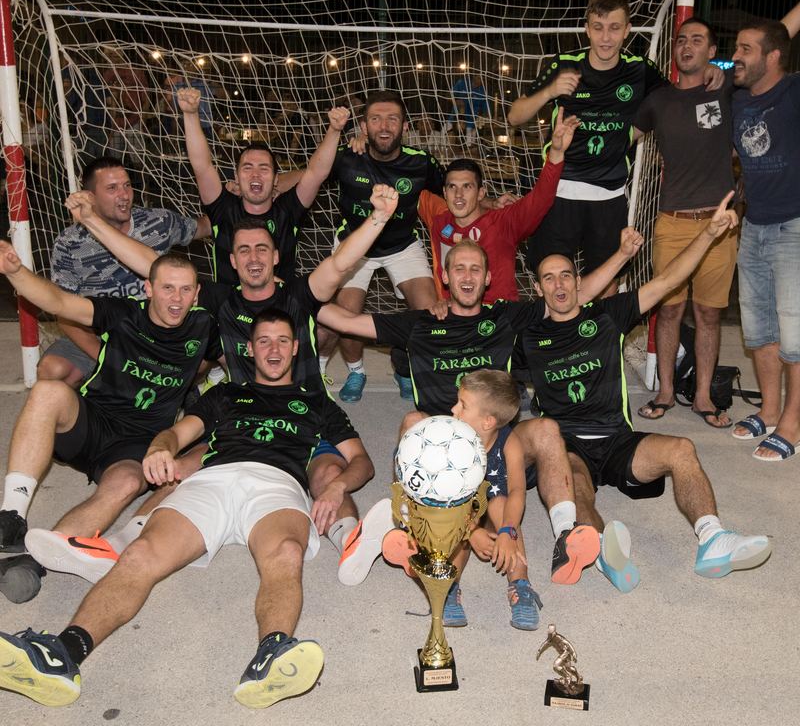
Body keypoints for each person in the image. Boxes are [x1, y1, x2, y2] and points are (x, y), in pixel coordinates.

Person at [23, 185, 401, 588]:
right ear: (232, 261)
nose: (253, 258)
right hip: (240, 414)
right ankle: (114, 544)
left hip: (304, 414)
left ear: (276, 257)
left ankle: (351, 540)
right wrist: (92, 220)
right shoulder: (219, 300)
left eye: (262, 249)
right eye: (243, 250)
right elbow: (152, 264)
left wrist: (378, 216)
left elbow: (340, 264)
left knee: (329, 473)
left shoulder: (298, 294)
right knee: (183, 467)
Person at [0, 308, 369, 710]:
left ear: (295, 348)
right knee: (140, 553)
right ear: (250, 349)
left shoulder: (317, 402)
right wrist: (161, 448)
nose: (274, 349)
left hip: (276, 484)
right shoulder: (225, 393)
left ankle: (271, 655)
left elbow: (361, 462)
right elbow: (177, 433)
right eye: (264, 341)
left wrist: (336, 486)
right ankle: (62, 654)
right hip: (212, 480)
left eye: (282, 341)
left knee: (286, 553)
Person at [318, 233, 643, 584]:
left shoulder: (505, 317)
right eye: (459, 268)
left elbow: (570, 295)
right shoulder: (421, 322)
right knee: (413, 420)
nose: (468, 276)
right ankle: (410, 519)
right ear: (445, 277)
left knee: (547, 428)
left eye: (475, 269)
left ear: (487, 278)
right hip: (443, 451)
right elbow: (344, 321)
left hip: (498, 442)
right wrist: (297, 295)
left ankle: (566, 534)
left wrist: (622, 254)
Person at [519, 193, 772, 592]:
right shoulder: (528, 336)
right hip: (568, 443)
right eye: (549, 278)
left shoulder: (607, 315)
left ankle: (713, 540)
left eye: (566, 275)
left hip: (617, 438)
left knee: (682, 449)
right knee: (578, 488)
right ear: (538, 288)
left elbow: (668, 280)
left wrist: (709, 233)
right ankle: (602, 551)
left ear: (579, 281)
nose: (558, 283)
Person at [0, 248, 219, 598]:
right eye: (167, 288)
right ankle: (11, 515)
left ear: (197, 293)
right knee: (47, 391)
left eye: (185, 290)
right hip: (92, 420)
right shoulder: (123, 313)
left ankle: (33, 562)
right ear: (149, 288)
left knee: (128, 483)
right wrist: (15, 272)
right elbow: (59, 302)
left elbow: (244, 357)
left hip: (137, 443)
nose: (176, 299)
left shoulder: (205, 326)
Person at [508, 0, 722, 295]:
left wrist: (708, 69)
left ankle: (601, 330)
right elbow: (515, 116)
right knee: (551, 283)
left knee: (607, 284)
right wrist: (550, 92)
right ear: (587, 29)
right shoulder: (565, 63)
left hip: (609, 196)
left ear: (627, 30)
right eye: (598, 28)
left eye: (614, 28)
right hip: (559, 192)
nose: (605, 38)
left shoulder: (640, 69)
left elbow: (673, 102)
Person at [633, 18, 738, 429]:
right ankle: (665, 391)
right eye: (681, 40)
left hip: (718, 224)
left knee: (708, 314)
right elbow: (618, 139)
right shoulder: (657, 100)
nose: (686, 45)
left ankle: (703, 396)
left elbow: (770, 45)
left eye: (697, 40)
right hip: (672, 222)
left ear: (711, 51)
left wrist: (722, 70)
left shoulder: (724, 89)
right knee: (670, 309)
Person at [316, 90, 445, 403]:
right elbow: (311, 174)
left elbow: (455, 191)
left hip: (402, 245)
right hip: (355, 245)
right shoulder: (348, 156)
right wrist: (274, 185)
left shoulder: (420, 162)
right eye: (375, 119)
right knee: (345, 314)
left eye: (392, 119)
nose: (384, 126)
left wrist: (489, 203)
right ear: (363, 126)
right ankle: (356, 371)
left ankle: (405, 369)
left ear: (404, 126)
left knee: (430, 313)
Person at [38, 155, 210, 387]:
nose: (125, 194)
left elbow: (203, 227)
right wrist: (109, 359)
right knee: (52, 370)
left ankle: (181, 393)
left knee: (205, 348)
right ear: (90, 197)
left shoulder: (157, 222)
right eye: (112, 188)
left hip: (157, 334)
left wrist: (232, 200)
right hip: (101, 337)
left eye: (127, 185)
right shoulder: (70, 243)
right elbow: (65, 314)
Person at [180, 88, 347, 286]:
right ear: (236, 177)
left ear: (276, 179)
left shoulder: (287, 211)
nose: (255, 174)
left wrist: (334, 130)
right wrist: (190, 114)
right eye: (247, 167)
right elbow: (202, 166)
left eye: (264, 168)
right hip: (228, 304)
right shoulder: (224, 209)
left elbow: (316, 173)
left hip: (279, 304)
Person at [417, 107, 579, 302]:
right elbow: (406, 186)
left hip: (499, 316)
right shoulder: (438, 216)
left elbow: (541, 198)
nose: (458, 194)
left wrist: (556, 153)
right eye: (452, 187)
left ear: (481, 193)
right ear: (444, 193)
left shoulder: (503, 222)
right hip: (451, 313)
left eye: (467, 187)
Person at [730, 19, 800, 460]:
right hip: (753, 226)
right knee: (758, 328)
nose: (735, 56)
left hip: (794, 227)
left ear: (773, 57)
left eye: (745, 49)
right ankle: (770, 409)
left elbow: (782, 30)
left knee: (795, 332)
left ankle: (793, 422)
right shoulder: (738, 99)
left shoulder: (793, 91)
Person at [444, 370, 544, 631]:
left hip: (492, 510)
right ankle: (449, 586)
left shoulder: (509, 441)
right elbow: (445, 501)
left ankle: (520, 585)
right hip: (459, 511)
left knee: (501, 503)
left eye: (463, 405)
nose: (453, 409)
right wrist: (472, 531)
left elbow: (518, 490)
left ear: (488, 422)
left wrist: (508, 532)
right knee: (462, 520)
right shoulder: (450, 441)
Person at [448, 72, 490, 147]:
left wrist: (483, 117)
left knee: (470, 146)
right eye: (479, 78)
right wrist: (456, 101)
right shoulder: (462, 83)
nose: (481, 80)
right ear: (473, 76)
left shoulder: (483, 91)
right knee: (449, 141)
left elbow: (486, 109)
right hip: (455, 119)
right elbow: (449, 95)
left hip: (471, 123)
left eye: (483, 79)